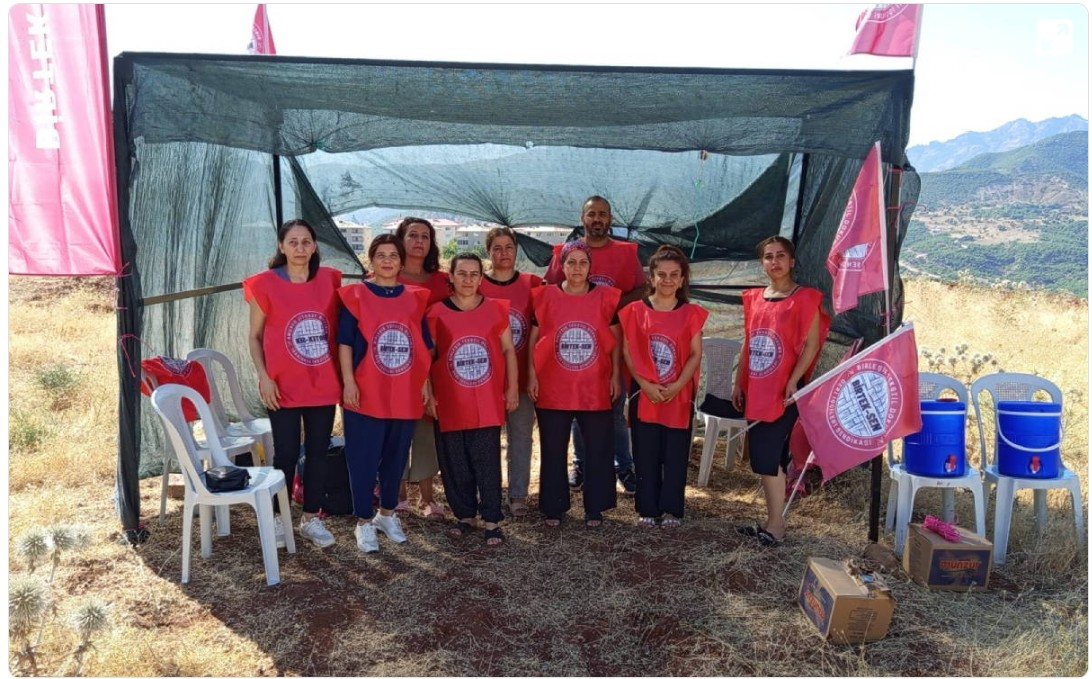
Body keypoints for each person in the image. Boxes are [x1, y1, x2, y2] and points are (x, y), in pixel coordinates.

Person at [243, 219, 343, 548]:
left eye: (306, 242)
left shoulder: (330, 280)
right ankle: (278, 517)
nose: (300, 248)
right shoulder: (264, 284)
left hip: (322, 383)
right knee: (285, 454)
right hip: (281, 385)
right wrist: (264, 376)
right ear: (281, 246)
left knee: (318, 452)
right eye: (293, 242)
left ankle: (310, 518)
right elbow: (254, 337)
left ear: (315, 246)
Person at [727, 236, 829, 546]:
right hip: (757, 386)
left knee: (768, 454)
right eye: (769, 257)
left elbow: (812, 345)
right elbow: (750, 342)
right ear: (762, 263)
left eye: (780, 255)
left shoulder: (805, 298)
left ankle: (776, 527)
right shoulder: (755, 298)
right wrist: (739, 382)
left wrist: (793, 380)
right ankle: (771, 520)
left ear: (792, 261)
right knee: (764, 456)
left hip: (784, 391)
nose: (775, 262)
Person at [337, 234, 433, 553]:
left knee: (396, 455)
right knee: (363, 457)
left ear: (401, 262)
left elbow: (422, 346)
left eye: (393, 255)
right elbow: (345, 343)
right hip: (365, 390)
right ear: (371, 260)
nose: (388, 260)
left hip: (403, 389)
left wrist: (423, 383)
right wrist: (349, 382)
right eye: (381, 255)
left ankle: (387, 514)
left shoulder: (415, 298)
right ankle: (363, 521)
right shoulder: (355, 295)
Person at [544, 196, 644, 495]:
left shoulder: (626, 252)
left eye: (602, 214)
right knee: (578, 408)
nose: (597, 219)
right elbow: (550, 291)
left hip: (612, 345)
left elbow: (642, 288)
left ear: (610, 219)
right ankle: (581, 465)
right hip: (574, 346)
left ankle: (623, 466)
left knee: (614, 409)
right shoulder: (564, 252)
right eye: (591, 214)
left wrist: (608, 307)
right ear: (582, 218)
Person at [425, 253, 519, 546]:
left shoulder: (495, 309)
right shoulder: (436, 312)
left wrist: (512, 387)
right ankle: (465, 515)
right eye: (462, 273)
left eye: (474, 274)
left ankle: (492, 519)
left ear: (481, 277)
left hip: (486, 399)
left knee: (487, 460)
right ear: (451, 277)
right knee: (454, 461)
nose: (468, 279)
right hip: (450, 399)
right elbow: (427, 356)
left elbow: (508, 350)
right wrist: (427, 391)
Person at [528, 239, 621, 528]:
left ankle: (595, 507)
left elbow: (616, 341)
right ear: (562, 266)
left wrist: (615, 375)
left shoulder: (606, 297)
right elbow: (533, 338)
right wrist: (531, 374)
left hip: (595, 384)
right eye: (571, 262)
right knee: (553, 447)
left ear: (590, 266)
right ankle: (553, 506)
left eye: (583, 262)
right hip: (553, 384)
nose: (577, 268)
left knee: (598, 447)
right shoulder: (545, 296)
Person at [619, 245, 708, 528]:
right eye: (662, 274)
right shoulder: (635, 311)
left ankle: (671, 508)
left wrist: (679, 384)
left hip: (678, 394)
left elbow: (695, 354)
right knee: (645, 451)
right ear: (652, 278)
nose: (667, 280)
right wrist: (644, 384)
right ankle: (647, 506)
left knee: (675, 453)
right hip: (645, 392)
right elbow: (628, 352)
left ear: (682, 280)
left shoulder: (691, 313)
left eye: (674, 275)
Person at [479, 227, 543, 517]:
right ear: (488, 252)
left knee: (521, 436)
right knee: (486, 439)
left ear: (516, 250)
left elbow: (541, 328)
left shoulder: (532, 283)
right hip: (485, 378)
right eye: (497, 248)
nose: (503, 253)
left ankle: (518, 493)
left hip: (521, 375)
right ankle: (488, 492)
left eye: (508, 247)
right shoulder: (477, 283)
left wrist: (533, 373)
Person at [393, 217, 450, 520]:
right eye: (412, 235)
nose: (419, 241)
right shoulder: (385, 276)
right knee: (398, 428)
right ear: (400, 239)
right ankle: (399, 495)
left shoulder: (442, 281)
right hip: (396, 366)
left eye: (425, 236)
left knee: (426, 429)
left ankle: (427, 498)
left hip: (436, 366)